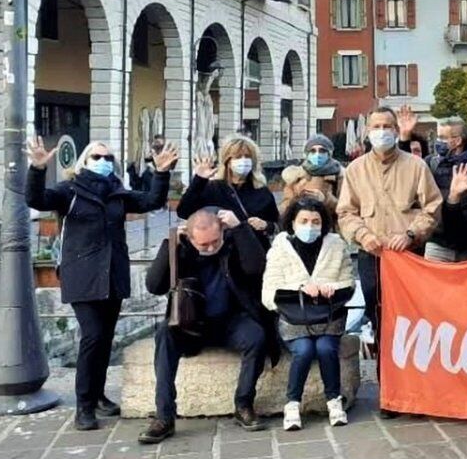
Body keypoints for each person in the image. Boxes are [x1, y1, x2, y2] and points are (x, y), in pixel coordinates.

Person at [26, 136, 178, 431]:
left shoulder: (117, 192)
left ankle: (98, 395)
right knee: (93, 335)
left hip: (112, 272)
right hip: (81, 273)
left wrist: (160, 173)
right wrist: (37, 168)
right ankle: (83, 404)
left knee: (106, 338)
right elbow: (36, 200)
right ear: (85, 161)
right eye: (97, 157)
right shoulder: (68, 190)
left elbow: (151, 201)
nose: (104, 162)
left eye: (109, 158)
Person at [336, 106, 443, 418]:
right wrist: (362, 235)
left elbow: (433, 206)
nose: (381, 131)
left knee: (414, 322)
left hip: (409, 257)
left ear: (397, 131)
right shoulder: (355, 170)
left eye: (387, 125)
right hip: (374, 255)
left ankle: (419, 387)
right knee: (381, 321)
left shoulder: (416, 166)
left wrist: (411, 233)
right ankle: (391, 391)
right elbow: (346, 212)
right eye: (376, 126)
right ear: (368, 131)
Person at [140, 208, 280, 443]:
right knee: (164, 335)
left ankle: (243, 403)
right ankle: (164, 416)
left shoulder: (234, 242)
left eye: (215, 241)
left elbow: (257, 269)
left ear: (222, 232)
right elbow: (155, 285)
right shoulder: (181, 248)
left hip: (232, 320)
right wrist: (170, 244)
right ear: (191, 238)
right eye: (203, 244)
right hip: (191, 323)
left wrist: (241, 229)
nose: (210, 248)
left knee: (257, 335)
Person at [262, 197, 353, 430]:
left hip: (327, 316)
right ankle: (292, 403)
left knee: (325, 348)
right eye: (304, 221)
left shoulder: (336, 245)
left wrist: (333, 288)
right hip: (293, 317)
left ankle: (334, 400)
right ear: (292, 222)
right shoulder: (280, 248)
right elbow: (269, 293)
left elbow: (349, 283)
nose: (310, 226)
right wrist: (300, 289)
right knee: (303, 350)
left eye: (315, 221)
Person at [398, 105, 467, 261]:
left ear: (457, 141)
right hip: (438, 240)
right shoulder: (432, 162)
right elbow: (407, 170)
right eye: (438, 136)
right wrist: (404, 138)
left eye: (443, 137)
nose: (438, 141)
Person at [178, 136, 280, 249]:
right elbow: (184, 212)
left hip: (254, 252)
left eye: (247, 156)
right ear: (228, 162)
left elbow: (277, 224)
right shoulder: (213, 188)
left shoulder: (261, 191)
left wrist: (266, 225)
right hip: (222, 254)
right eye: (238, 157)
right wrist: (199, 180)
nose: (243, 160)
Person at [279, 135, 343, 215]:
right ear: (307, 154)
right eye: (313, 151)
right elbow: (284, 209)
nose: (317, 154)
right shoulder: (296, 176)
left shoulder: (340, 176)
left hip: (330, 224)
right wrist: (297, 200)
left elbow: (347, 209)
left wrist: (326, 199)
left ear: (329, 154)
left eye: (322, 151)